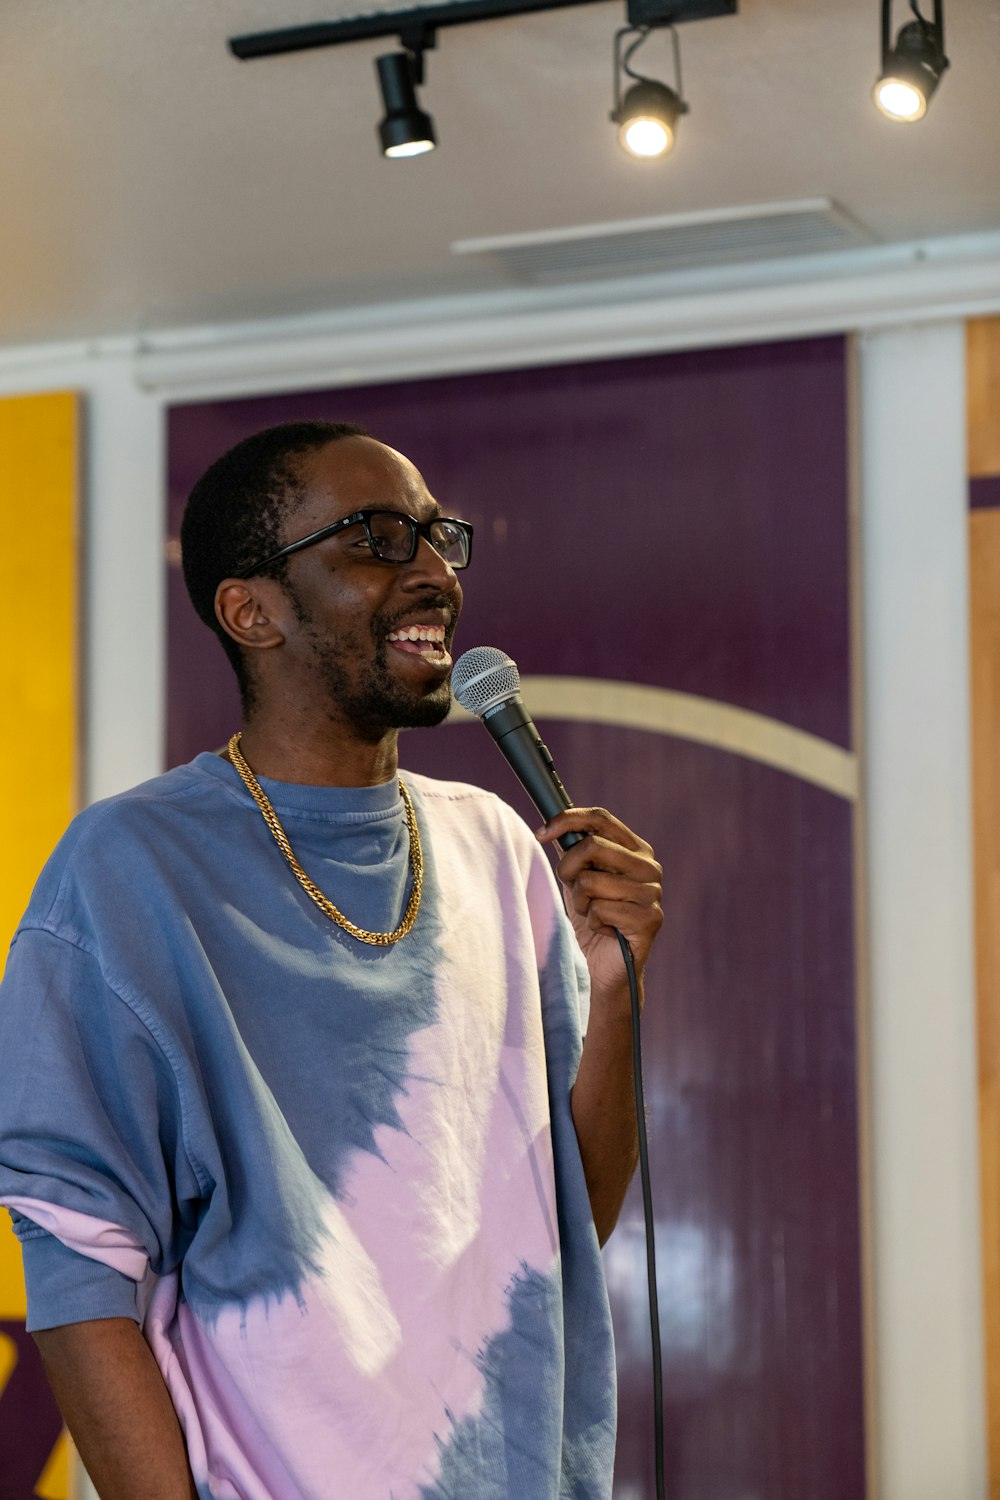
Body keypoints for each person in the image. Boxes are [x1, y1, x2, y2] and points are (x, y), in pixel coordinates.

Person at [0, 421, 663, 1500]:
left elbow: (565, 1225)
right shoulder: (130, 868)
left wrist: (619, 985)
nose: (433, 572)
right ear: (249, 609)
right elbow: (81, 1262)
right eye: (376, 539)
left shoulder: (497, 844)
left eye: (437, 536)